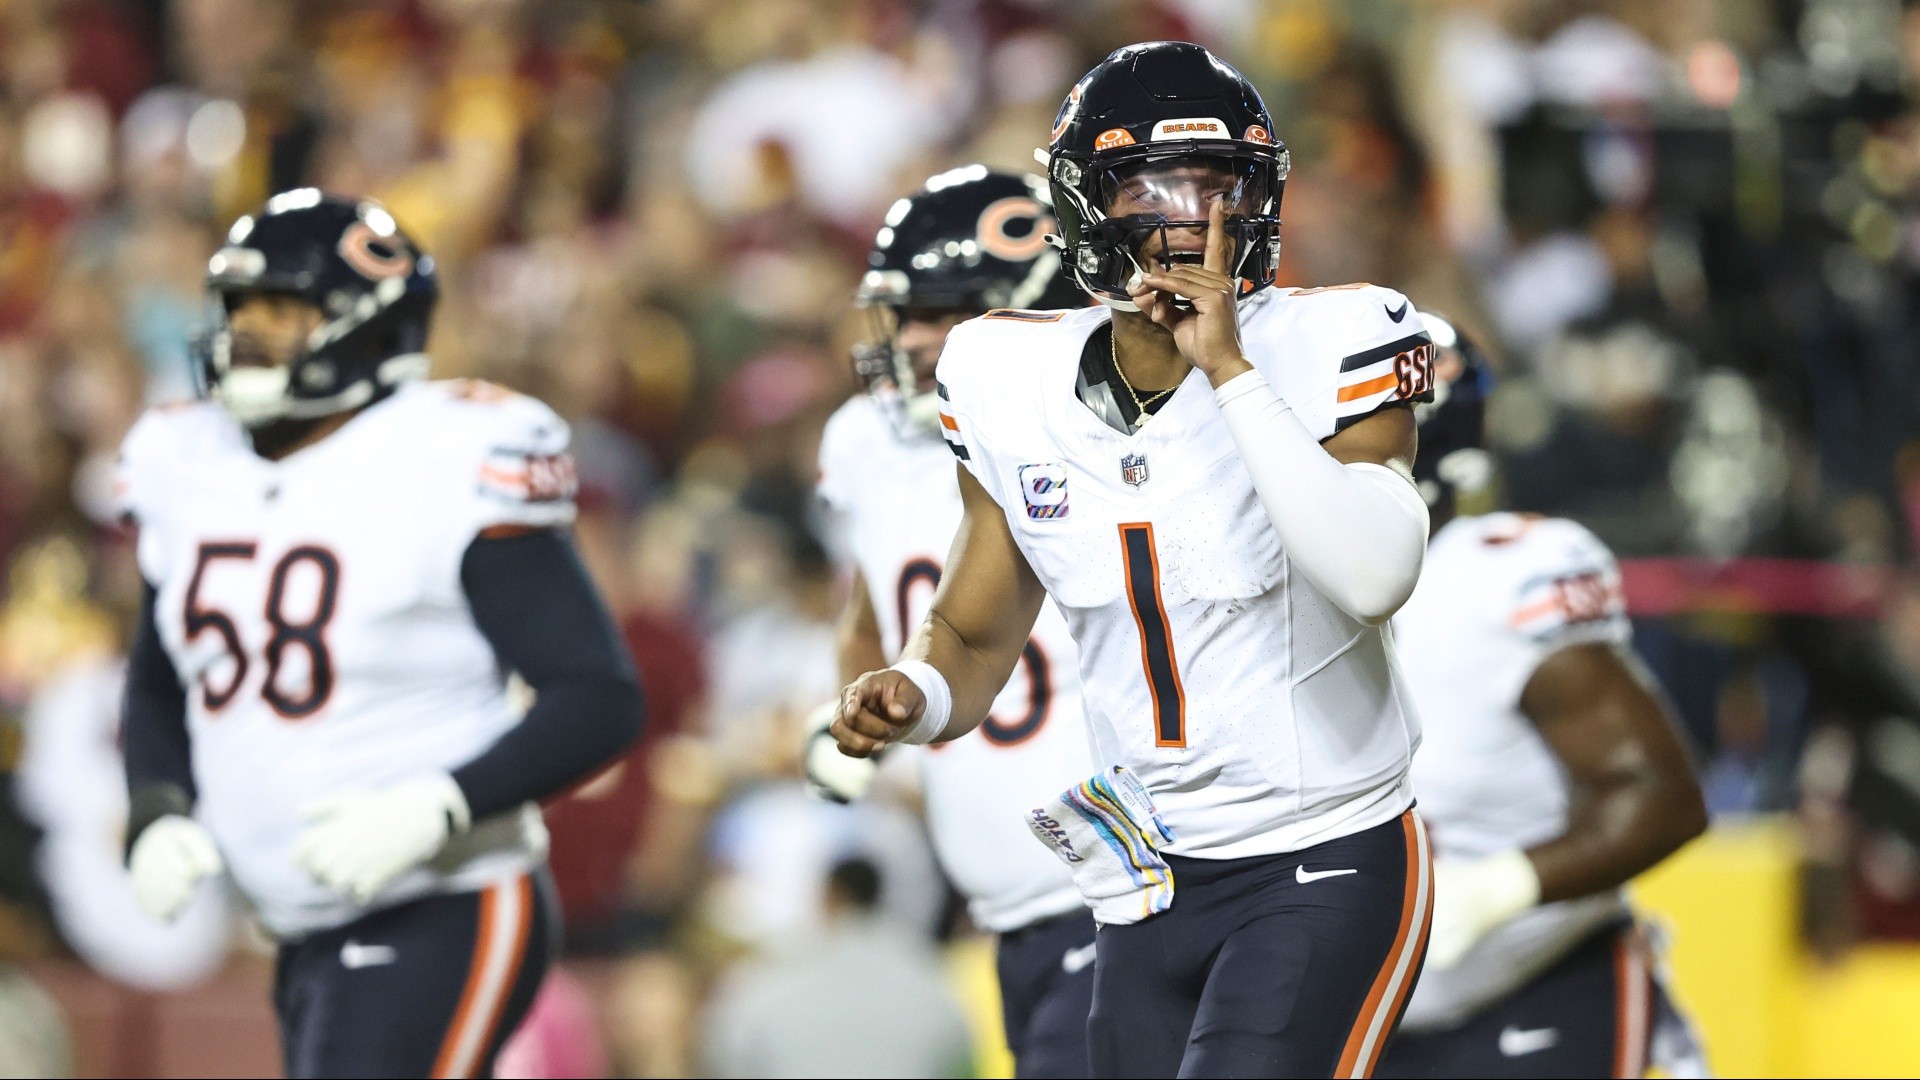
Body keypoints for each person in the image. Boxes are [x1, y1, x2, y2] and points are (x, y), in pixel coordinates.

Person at [832, 42, 1437, 1078]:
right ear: (1084, 207)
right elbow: (977, 630)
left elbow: (1375, 574)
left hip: (1325, 850)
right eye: (1159, 186)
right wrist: (917, 694)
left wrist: (1232, 372)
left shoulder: (1337, 336)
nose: (1197, 218)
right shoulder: (1003, 372)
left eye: (1224, 184)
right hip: (1149, 874)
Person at [116, 190, 643, 1079]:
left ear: (366, 326)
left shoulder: (449, 454)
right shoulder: (183, 459)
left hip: (446, 903)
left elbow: (597, 697)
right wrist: (157, 807)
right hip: (302, 930)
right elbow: (161, 675)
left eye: (282, 308)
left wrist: (437, 803)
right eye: (239, 307)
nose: (247, 331)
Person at [808, 165, 1099, 1078]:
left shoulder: (1095, 430)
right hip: (1000, 908)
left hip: (1115, 881)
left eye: (944, 312)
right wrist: (851, 713)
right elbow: (872, 605)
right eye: (907, 314)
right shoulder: (863, 441)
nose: (916, 340)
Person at [1375, 315, 1710, 1079]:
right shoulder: (1278, 581)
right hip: (1363, 1024)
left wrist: (1494, 890)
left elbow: (1664, 794)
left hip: (1537, 995)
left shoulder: (1495, 577)